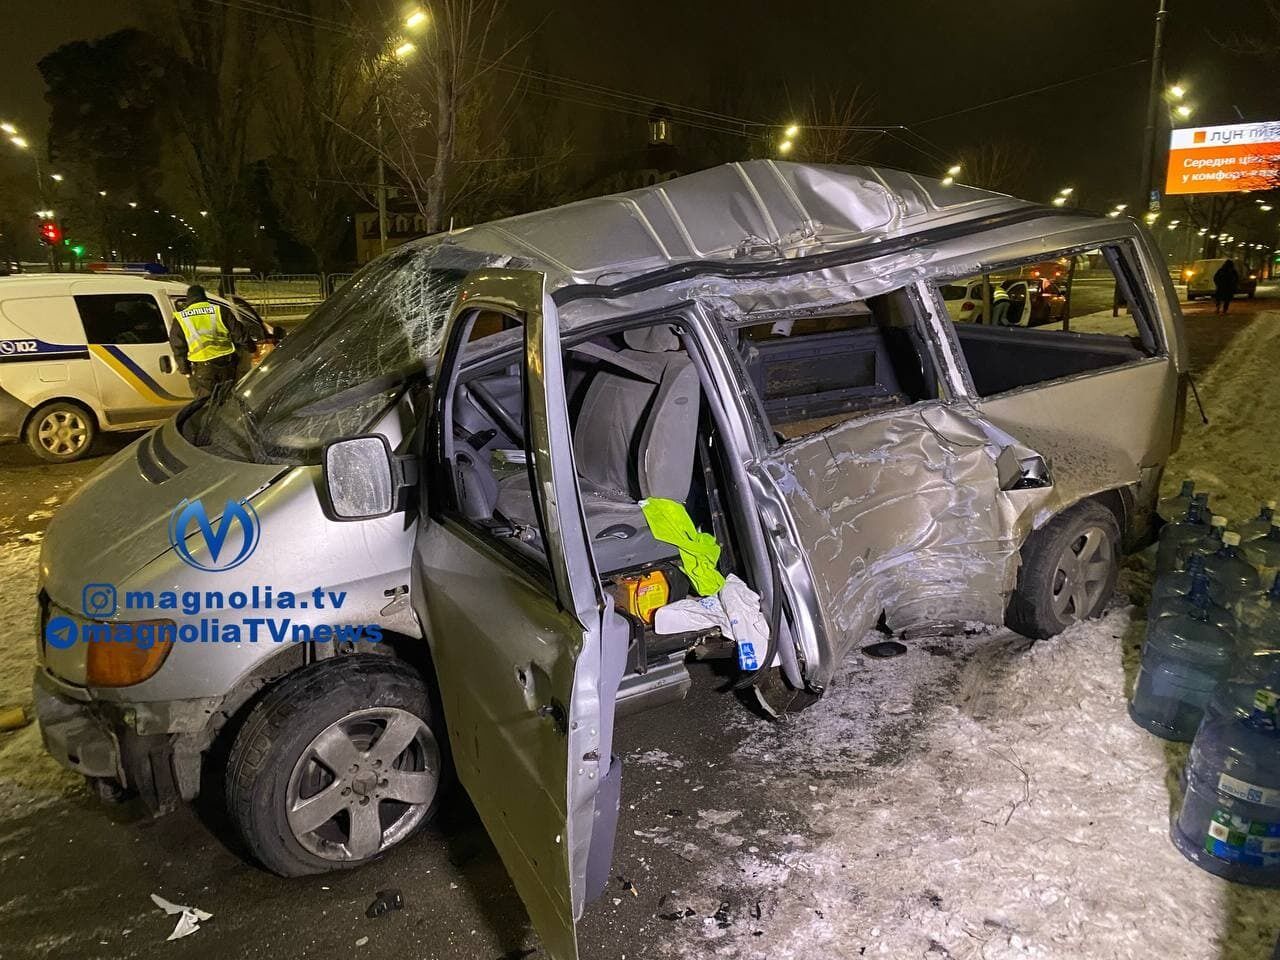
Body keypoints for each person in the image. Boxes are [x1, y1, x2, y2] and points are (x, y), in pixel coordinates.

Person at [168, 285, 252, 397]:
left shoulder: (181, 318)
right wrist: (251, 349)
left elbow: (178, 348)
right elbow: (240, 335)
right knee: (229, 401)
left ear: (188, 299)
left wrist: (186, 372)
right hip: (227, 365)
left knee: (206, 405)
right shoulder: (219, 310)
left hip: (203, 369)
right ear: (204, 296)